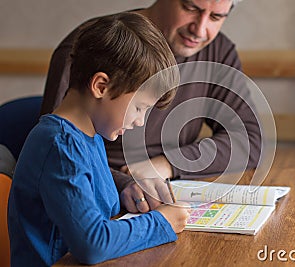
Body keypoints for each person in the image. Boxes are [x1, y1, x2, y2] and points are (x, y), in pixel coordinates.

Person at [40, 0, 262, 214]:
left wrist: (167, 164)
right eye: (191, 8)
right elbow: (54, 153)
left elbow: (248, 139)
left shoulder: (217, 52)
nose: (200, 29)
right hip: (96, 198)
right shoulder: (93, 46)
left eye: (216, 17)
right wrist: (126, 183)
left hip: (162, 192)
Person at [8, 12, 190, 266]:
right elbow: (92, 243)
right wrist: (162, 223)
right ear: (101, 86)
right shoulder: (60, 146)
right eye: (139, 108)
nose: (139, 121)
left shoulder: (88, 136)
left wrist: (126, 190)